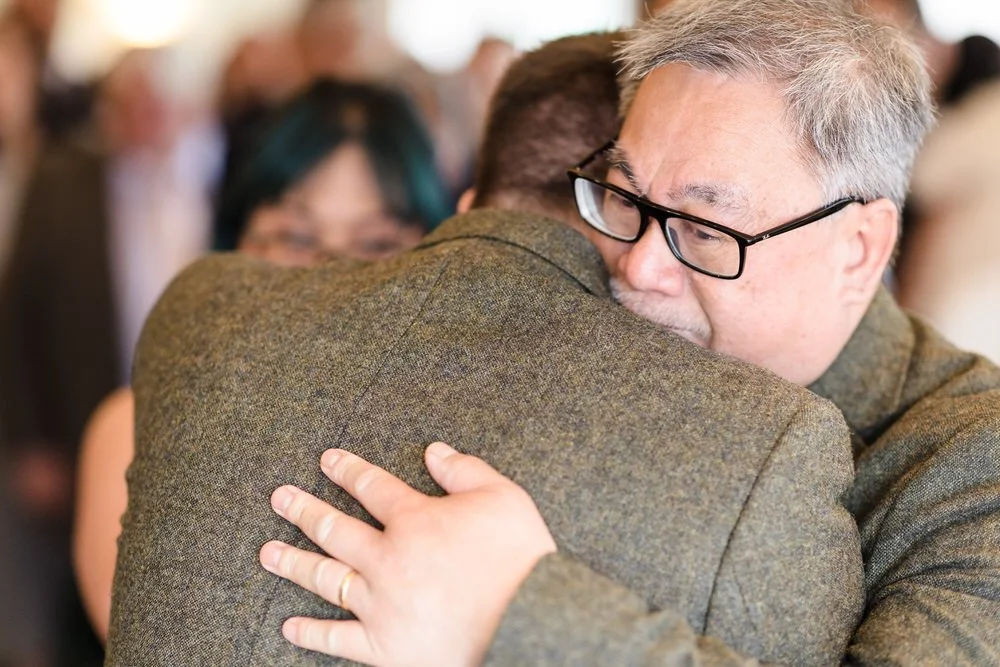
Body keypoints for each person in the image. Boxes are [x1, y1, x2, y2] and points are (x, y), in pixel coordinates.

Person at [257, 0, 1000, 665]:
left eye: (706, 230)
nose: (639, 265)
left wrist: (514, 615)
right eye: (623, 196)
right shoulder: (561, 332)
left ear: (859, 249)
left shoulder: (973, 456)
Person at [107, 31, 866, 666]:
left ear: (470, 199)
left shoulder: (199, 312)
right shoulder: (768, 449)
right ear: (621, 228)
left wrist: (515, 609)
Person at [74, 77, 450, 642]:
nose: (331, 274)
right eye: (296, 237)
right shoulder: (134, 427)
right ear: (234, 246)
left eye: (374, 244)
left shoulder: (446, 438)